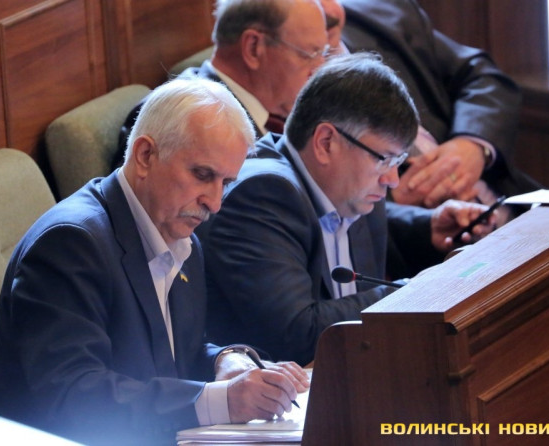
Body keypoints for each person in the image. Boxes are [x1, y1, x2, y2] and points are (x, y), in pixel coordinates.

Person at [0, 78, 309, 445]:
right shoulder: (70, 244)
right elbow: (76, 397)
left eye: (226, 183)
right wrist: (222, 401)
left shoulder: (180, 235)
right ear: (144, 155)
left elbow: (174, 354)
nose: (215, 203)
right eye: (202, 175)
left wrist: (227, 360)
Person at [202, 53, 496, 366]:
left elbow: (359, 224)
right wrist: (416, 293)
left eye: (397, 161)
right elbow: (300, 335)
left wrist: (428, 227)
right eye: (385, 159)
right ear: (326, 142)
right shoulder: (261, 194)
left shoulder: (347, 184)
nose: (393, 179)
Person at [319, 0, 540, 211]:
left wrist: (473, 145)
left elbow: (482, 76)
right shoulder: (300, 90)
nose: (329, 10)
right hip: (428, 232)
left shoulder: (385, 13)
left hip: (511, 202)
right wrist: (393, 204)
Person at [113, 0, 329, 170]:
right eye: (308, 54)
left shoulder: (282, 113)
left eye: (323, 54)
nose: (319, 69)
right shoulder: (175, 116)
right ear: (254, 48)